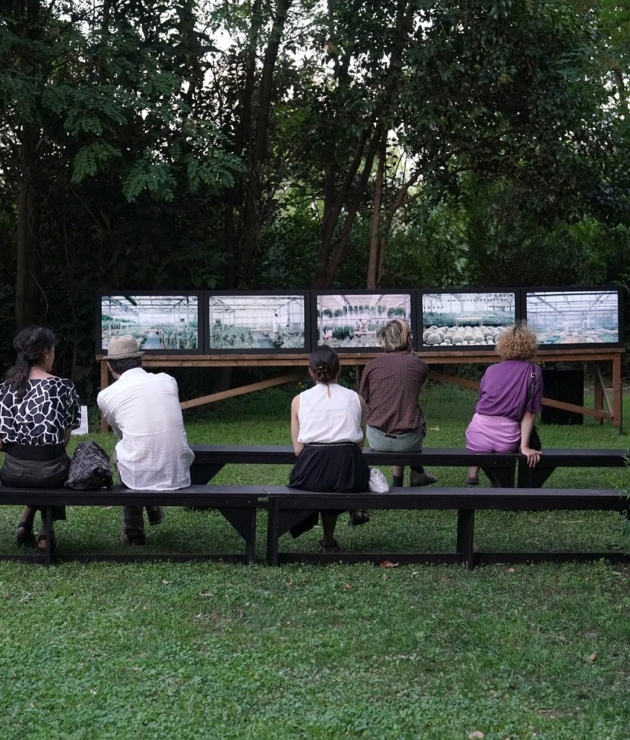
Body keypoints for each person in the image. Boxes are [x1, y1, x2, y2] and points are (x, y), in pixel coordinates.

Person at [97, 334, 194, 545]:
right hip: (177, 469)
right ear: (140, 360)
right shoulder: (168, 381)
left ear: (111, 366)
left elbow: (121, 433)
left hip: (139, 471)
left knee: (125, 454)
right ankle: (153, 510)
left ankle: (133, 532)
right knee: (138, 452)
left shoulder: (106, 395)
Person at [0, 326, 81, 551]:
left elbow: (2, 441)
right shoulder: (64, 387)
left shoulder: (5, 389)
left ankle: (26, 522)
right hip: (51, 472)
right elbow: (64, 439)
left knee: (40, 468)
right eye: (53, 350)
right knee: (55, 467)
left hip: (13, 473)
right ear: (46, 352)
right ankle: (46, 532)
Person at [288, 345, 370, 553]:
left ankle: (327, 539)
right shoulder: (357, 399)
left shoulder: (299, 401)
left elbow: (298, 449)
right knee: (336, 477)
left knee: (324, 479)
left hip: (313, 472)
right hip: (350, 472)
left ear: (310, 372)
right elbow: (359, 446)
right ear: (339, 369)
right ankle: (335, 532)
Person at [359, 319, 437, 488]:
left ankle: (400, 484)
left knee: (397, 414)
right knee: (407, 414)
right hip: (409, 440)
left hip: (377, 439)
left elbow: (363, 399)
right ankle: (416, 474)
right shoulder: (420, 365)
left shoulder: (371, 366)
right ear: (407, 339)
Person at [465, 322, 543, 485]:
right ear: (530, 346)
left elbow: (482, 401)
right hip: (506, 437)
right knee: (506, 459)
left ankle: (474, 469)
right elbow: (529, 413)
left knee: (479, 431)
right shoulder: (533, 371)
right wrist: (524, 447)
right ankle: (505, 489)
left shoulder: (491, 370)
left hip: (478, 432)